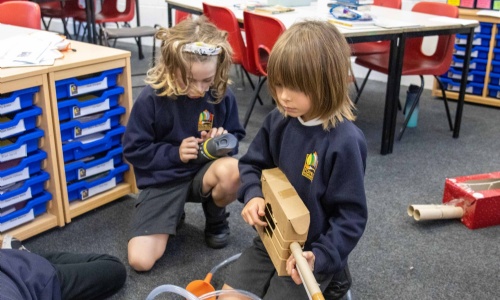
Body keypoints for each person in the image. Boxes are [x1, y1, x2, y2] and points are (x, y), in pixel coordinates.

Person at [222, 21, 368, 299]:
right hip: (272, 239)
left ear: (327, 84)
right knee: (227, 298)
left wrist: (323, 256)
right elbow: (252, 164)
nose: (283, 96)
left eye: (296, 87)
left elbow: (350, 216)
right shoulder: (279, 119)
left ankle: (336, 272)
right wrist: (252, 195)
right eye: (277, 85)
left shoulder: (345, 141)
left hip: (311, 253)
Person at [122, 16, 246, 272]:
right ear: (169, 66)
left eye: (206, 80)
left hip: (204, 173)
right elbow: (134, 149)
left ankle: (215, 217)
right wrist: (174, 153)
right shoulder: (151, 98)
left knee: (234, 170)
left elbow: (236, 136)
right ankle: (173, 214)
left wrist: (222, 142)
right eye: (188, 80)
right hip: (164, 179)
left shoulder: (221, 94)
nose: (199, 89)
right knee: (140, 261)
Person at [1, 235, 126, 300]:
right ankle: (20, 253)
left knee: (114, 269)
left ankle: (21, 254)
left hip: (37, 277)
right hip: (15, 265)